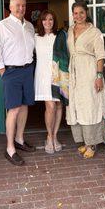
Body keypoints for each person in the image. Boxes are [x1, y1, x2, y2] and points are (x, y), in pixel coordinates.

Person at [0, 0, 36, 166]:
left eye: (23, 5)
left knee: (24, 106)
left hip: (27, 70)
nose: (21, 8)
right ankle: (10, 148)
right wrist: (4, 73)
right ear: (10, 7)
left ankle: (19, 139)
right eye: (17, 5)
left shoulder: (30, 26)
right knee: (14, 110)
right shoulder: (2, 27)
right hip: (11, 72)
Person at [66, 0, 105, 159]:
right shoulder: (70, 30)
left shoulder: (94, 32)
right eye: (75, 13)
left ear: (86, 13)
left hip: (89, 72)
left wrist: (99, 76)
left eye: (81, 12)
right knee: (77, 106)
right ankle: (84, 141)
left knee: (90, 106)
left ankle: (93, 144)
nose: (78, 16)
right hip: (74, 73)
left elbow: (100, 55)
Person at [34, 10, 69, 154]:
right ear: (40, 22)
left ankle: (55, 136)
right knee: (50, 106)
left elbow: (68, 54)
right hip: (43, 75)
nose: (48, 22)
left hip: (58, 76)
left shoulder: (60, 37)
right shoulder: (35, 37)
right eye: (45, 20)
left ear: (54, 21)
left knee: (59, 105)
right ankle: (49, 136)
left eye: (51, 19)